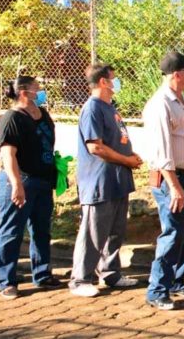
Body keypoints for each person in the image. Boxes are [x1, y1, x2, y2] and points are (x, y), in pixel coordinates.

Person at [69, 64, 143, 297]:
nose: (116, 82)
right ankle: (80, 279)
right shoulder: (92, 109)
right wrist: (126, 160)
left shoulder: (110, 107)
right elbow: (95, 147)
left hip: (117, 180)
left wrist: (130, 158)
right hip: (99, 181)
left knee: (115, 231)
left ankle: (110, 273)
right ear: (103, 82)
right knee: (93, 232)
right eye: (113, 78)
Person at [143, 51, 184, 310]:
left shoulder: (182, 99)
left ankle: (176, 281)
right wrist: (175, 185)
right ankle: (157, 290)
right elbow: (161, 151)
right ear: (177, 75)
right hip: (172, 179)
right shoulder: (161, 104)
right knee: (172, 233)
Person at [0, 76, 62, 299]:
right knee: (11, 231)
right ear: (24, 92)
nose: (41, 92)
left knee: (41, 230)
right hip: (20, 181)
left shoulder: (43, 114)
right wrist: (16, 185)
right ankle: (7, 281)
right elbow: (8, 154)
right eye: (37, 89)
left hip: (43, 181)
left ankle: (42, 273)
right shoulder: (11, 118)